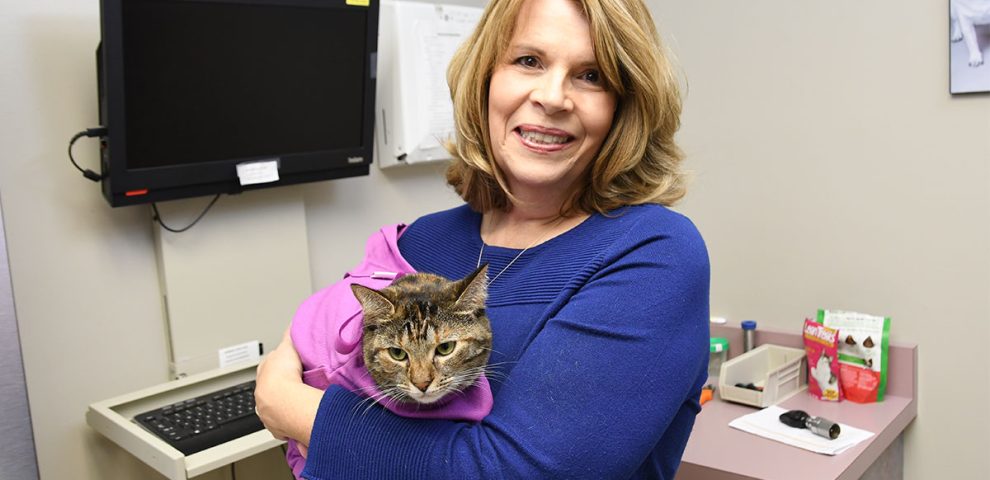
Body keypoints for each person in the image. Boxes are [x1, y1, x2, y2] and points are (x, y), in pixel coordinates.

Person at [255, 0, 710, 478]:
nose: (553, 97)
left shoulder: (653, 254)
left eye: (591, 75)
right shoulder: (419, 241)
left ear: (624, 106)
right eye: (528, 61)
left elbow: (512, 473)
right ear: (485, 80)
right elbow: (328, 344)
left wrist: (289, 408)